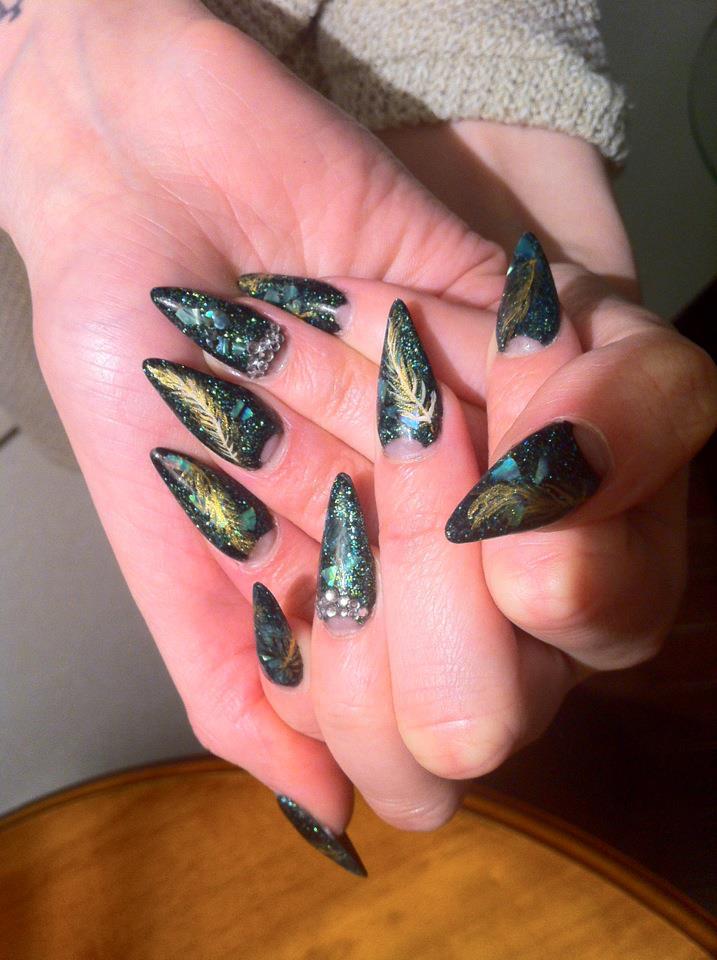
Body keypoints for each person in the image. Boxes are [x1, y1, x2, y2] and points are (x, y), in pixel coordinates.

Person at [0, 0, 714, 875]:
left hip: (227, 303)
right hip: (91, 318)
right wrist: (45, 92)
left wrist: (465, 110)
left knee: (549, 581)